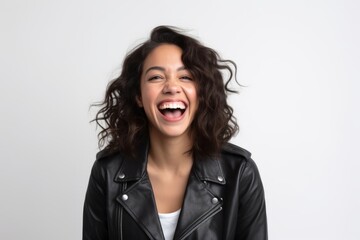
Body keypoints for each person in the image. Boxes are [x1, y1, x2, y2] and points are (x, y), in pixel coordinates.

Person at [83, 26, 267, 240]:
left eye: (186, 77)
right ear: (139, 96)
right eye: (156, 77)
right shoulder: (107, 173)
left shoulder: (240, 173)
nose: (172, 87)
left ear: (201, 93)